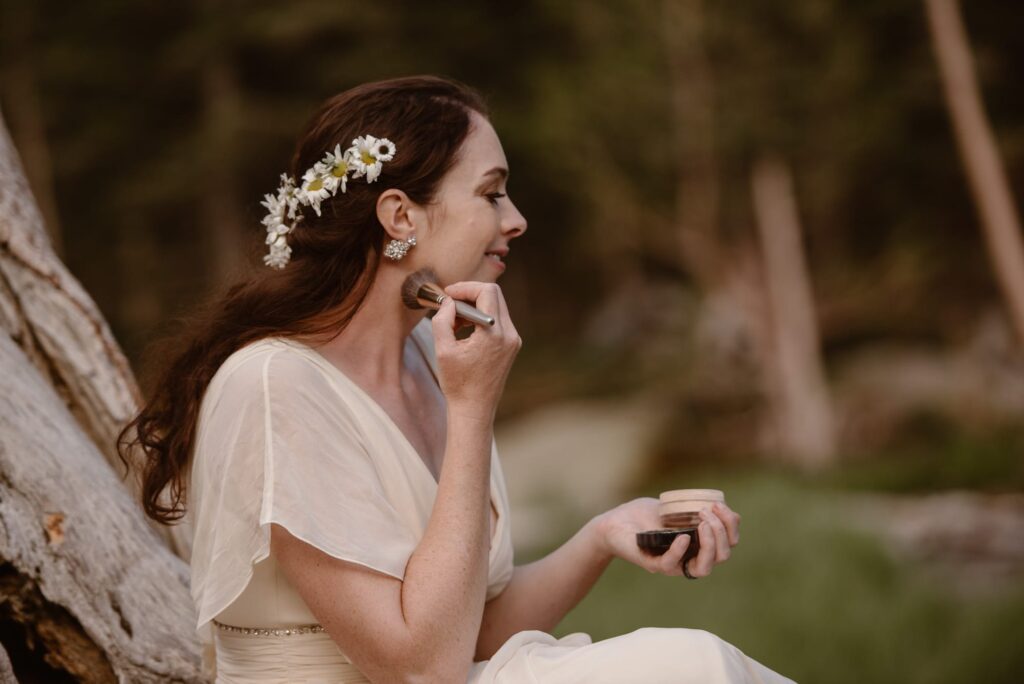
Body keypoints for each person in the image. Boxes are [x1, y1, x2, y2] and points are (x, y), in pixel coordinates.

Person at [120, 75, 795, 683]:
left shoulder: (428, 353)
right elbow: (423, 668)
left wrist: (601, 536)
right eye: (491, 193)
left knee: (696, 666)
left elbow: (468, 629)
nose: (515, 219)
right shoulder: (275, 387)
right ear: (400, 216)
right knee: (689, 668)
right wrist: (472, 409)